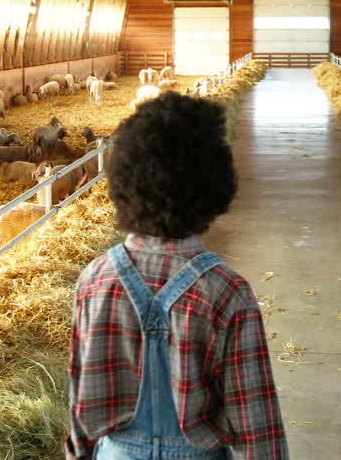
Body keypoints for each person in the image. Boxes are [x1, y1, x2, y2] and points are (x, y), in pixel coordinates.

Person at [67, 92, 288, 460]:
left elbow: (80, 396)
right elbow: (256, 423)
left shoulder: (95, 279)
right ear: (213, 184)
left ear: (125, 180)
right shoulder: (227, 292)